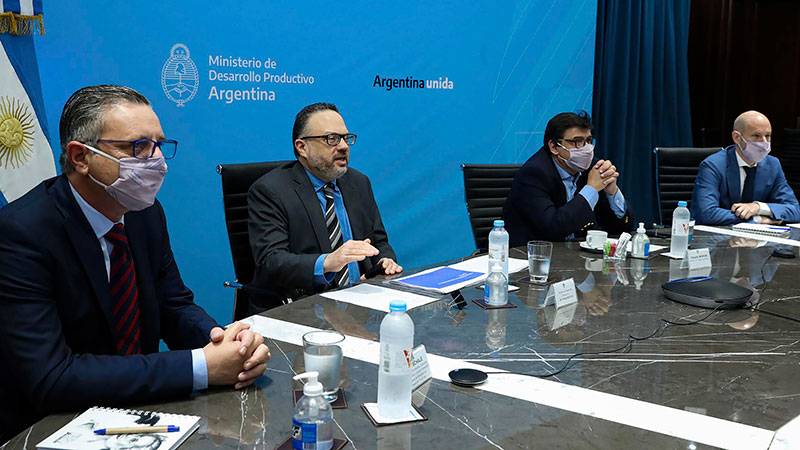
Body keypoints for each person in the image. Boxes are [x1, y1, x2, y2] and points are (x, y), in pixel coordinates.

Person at [0, 85, 270, 442]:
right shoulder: (22, 233)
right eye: (138, 147)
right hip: (48, 426)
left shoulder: (145, 214)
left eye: (159, 145)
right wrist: (201, 367)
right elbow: (52, 376)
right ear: (80, 156)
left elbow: (173, 305)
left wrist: (224, 342)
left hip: (139, 413)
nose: (157, 161)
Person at [248, 102, 401, 311]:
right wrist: (329, 262)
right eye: (332, 139)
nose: (344, 146)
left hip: (361, 304)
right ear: (302, 147)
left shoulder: (358, 183)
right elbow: (272, 261)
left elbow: (379, 242)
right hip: (302, 308)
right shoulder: (270, 191)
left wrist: (384, 261)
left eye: (346, 138)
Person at [503, 111, 633, 246]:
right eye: (577, 142)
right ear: (554, 147)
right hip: (534, 253)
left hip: (577, 253)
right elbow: (553, 228)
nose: (586, 149)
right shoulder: (534, 174)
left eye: (588, 141)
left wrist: (612, 193)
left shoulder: (592, 168)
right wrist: (591, 189)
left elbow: (621, 229)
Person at [692, 110, 800, 225]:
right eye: (756, 136)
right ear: (737, 137)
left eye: (767, 136)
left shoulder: (773, 164)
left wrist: (758, 207)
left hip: (758, 235)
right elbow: (706, 214)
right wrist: (758, 219)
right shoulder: (713, 165)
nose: (764, 143)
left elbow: (796, 210)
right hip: (718, 234)